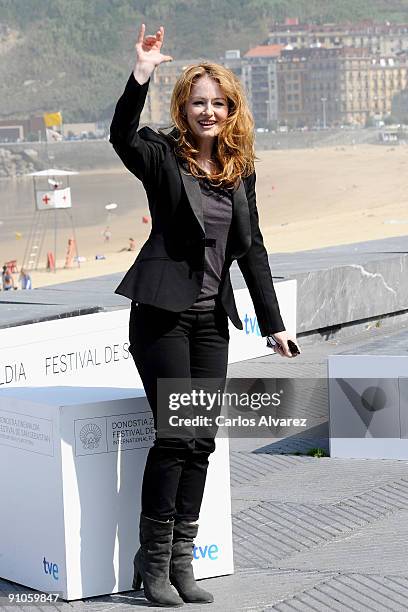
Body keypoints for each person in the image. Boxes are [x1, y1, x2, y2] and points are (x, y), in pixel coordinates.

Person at [110, 23, 301, 607]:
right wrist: (141, 70)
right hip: (163, 316)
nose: (208, 112)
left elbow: (253, 248)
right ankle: (155, 563)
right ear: (184, 108)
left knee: (201, 441)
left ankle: (180, 559)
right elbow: (120, 135)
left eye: (218, 103)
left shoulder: (238, 170)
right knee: (175, 435)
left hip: (211, 322)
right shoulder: (162, 156)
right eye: (198, 103)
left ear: (231, 109)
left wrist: (273, 323)